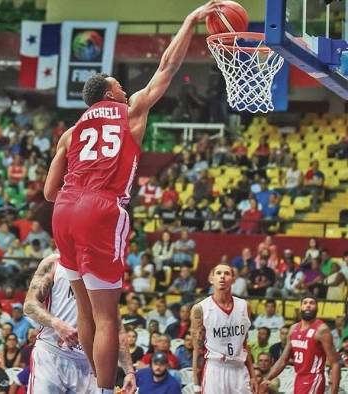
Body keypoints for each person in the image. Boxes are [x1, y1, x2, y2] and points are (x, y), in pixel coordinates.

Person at [43, 3, 219, 391]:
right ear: (110, 92)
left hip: (65, 209)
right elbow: (168, 68)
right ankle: (105, 389)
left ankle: (95, 381)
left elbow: (48, 191)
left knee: (85, 311)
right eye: (119, 85)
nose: (125, 88)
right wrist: (190, 20)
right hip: (101, 207)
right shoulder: (130, 109)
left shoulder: (70, 133)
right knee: (108, 317)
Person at [23, 254, 136, 394]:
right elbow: (29, 305)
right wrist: (56, 323)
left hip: (87, 363)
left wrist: (129, 371)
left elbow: (115, 325)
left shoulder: (102, 270)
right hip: (51, 354)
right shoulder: (54, 262)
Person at [191, 264, 255, 394]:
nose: (222, 277)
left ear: (233, 279)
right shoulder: (201, 309)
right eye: (218, 273)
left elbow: (244, 345)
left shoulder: (244, 306)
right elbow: (197, 350)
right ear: (211, 279)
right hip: (215, 368)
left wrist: (253, 375)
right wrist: (196, 385)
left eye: (226, 273)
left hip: (239, 368)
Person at [262, 296, 340, 394]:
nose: (308, 305)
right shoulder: (293, 328)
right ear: (301, 307)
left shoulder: (322, 330)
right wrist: (266, 379)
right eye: (305, 303)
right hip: (298, 378)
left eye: (312, 303)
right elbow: (283, 360)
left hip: (314, 378)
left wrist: (334, 392)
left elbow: (335, 363)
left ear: (317, 308)